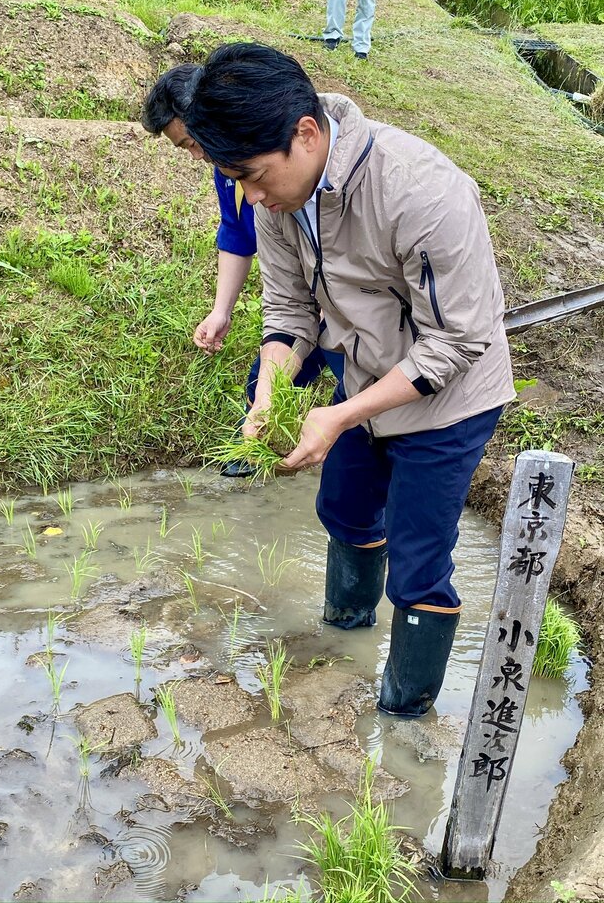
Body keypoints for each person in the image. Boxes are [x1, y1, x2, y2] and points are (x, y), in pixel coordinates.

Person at [185, 42, 515, 717]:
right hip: (366, 379)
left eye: (251, 174)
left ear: (305, 134)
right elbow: (287, 313)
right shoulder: (278, 202)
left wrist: (337, 415)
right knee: (344, 510)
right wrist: (270, 394)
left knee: (421, 561)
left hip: (450, 398)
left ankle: (403, 715)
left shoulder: (420, 189)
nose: (247, 195)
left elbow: (458, 338)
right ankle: (343, 642)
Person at [140, 65, 343, 476]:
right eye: (188, 148)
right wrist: (221, 310)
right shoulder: (232, 174)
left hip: (344, 305)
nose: (201, 155)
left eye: (195, 142)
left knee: (351, 389)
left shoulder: (293, 161)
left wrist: (332, 295)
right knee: (271, 378)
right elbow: (236, 234)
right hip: (299, 302)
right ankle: (267, 453)